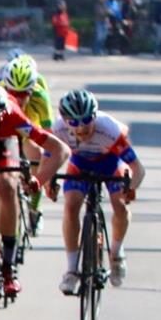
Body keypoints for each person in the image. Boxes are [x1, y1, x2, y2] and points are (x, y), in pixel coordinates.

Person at [0, 83, 70, 298]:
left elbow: (60, 149)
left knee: (7, 185)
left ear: (1, 114)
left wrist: (38, 180)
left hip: (3, 144)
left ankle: (8, 266)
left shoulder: (13, 117)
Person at [51, 90, 145, 293]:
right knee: (71, 206)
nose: (82, 128)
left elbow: (137, 168)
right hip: (79, 164)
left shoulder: (110, 130)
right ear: (65, 121)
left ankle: (117, 253)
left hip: (110, 163)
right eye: (74, 123)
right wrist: (48, 183)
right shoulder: (57, 130)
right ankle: (71, 270)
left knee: (119, 206)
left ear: (94, 116)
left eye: (86, 120)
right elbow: (48, 161)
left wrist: (131, 188)